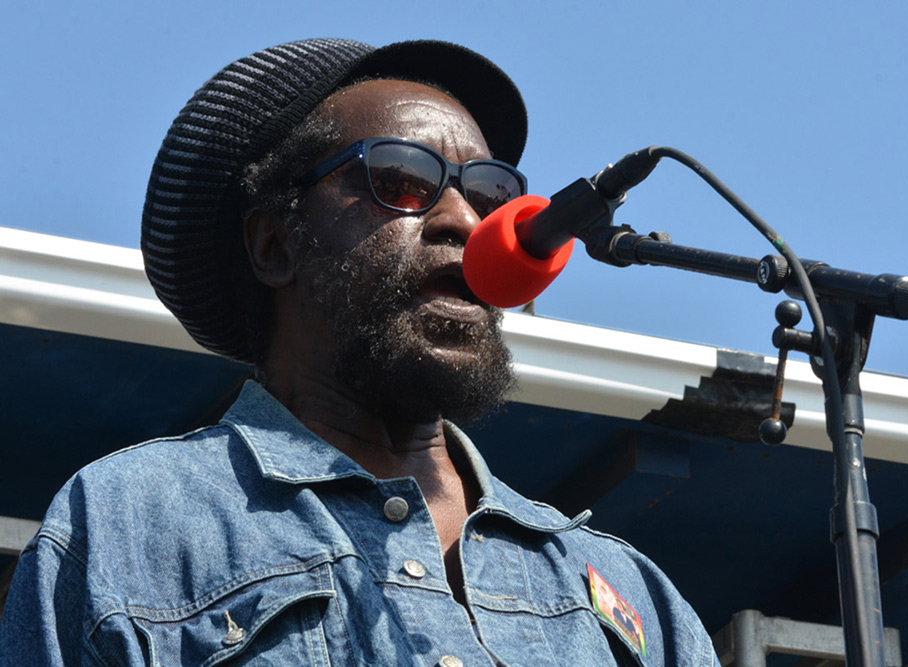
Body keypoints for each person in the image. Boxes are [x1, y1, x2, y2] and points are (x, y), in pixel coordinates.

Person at [0, 39, 718, 666]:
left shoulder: (628, 593)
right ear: (274, 245)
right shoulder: (131, 524)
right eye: (402, 181)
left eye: (489, 194)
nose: (466, 223)